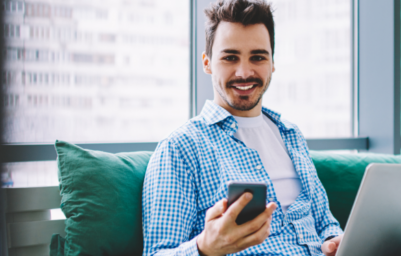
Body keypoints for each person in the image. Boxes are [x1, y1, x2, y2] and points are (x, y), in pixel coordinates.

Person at [142, 0, 343, 255]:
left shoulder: (291, 136)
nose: (244, 72)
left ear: (272, 63)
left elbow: (326, 223)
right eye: (230, 57)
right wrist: (204, 247)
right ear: (207, 63)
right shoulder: (180, 147)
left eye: (257, 57)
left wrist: (334, 240)